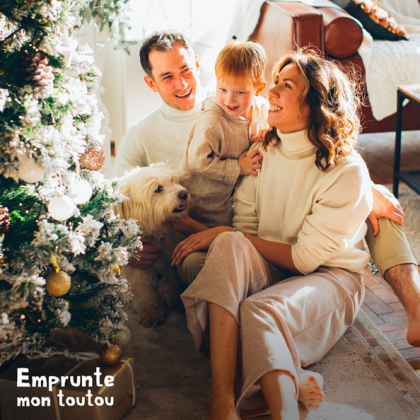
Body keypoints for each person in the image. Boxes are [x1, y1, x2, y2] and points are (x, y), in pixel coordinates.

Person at [113, 31, 420, 347]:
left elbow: (311, 136)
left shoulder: (235, 95)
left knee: (379, 204)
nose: (182, 83)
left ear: (198, 64)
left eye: (186, 70)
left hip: (257, 225)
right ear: (151, 83)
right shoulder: (140, 135)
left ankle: (415, 306)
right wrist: (126, 249)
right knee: (196, 265)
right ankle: (251, 322)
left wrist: (365, 187)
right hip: (212, 232)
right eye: (167, 77)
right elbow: (111, 205)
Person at [172, 50, 373, 419]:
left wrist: (225, 234)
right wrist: (227, 236)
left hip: (331, 277)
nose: (271, 92)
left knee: (257, 310)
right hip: (272, 265)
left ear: (314, 103)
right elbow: (245, 231)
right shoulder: (264, 149)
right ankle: (222, 400)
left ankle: (284, 408)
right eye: (275, 83)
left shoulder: (347, 172)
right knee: (232, 242)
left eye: (286, 85)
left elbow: (304, 259)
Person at [178, 41, 268, 228]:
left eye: (239, 92)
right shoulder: (212, 120)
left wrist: (269, 133)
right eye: (223, 89)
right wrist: (238, 168)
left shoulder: (262, 108)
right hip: (203, 201)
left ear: (258, 89)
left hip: (233, 199)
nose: (229, 99)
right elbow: (197, 161)